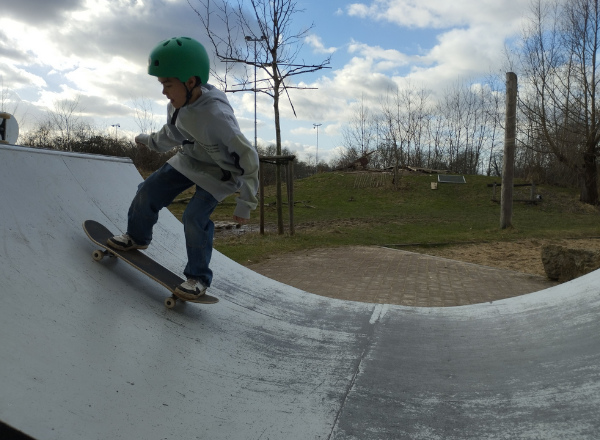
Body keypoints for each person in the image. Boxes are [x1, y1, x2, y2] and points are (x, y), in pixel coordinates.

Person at [108, 36, 259, 301]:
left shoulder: (217, 116)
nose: (164, 91)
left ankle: (198, 277)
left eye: (168, 84)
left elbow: (248, 156)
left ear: (190, 82)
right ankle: (137, 237)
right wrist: (147, 140)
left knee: (193, 217)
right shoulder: (176, 107)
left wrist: (246, 201)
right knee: (148, 190)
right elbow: (171, 134)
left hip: (220, 174)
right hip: (189, 160)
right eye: (161, 84)